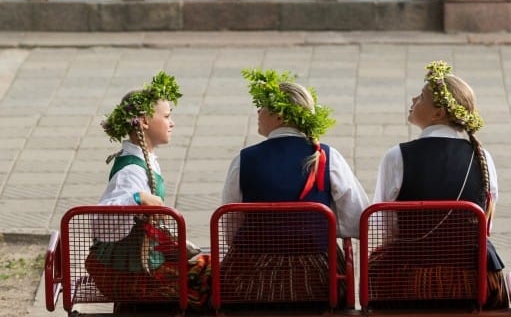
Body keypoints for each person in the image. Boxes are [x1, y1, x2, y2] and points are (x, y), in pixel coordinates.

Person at [219, 67, 369, 304]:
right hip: (315, 276)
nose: (258, 111)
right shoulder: (327, 157)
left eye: (263, 106)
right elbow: (357, 219)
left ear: (280, 116)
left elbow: (229, 228)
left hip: (252, 275)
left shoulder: (244, 159)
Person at [370, 60, 509, 309]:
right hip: (471, 276)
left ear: (438, 113)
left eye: (421, 97)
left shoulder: (397, 156)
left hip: (410, 275)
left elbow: (385, 225)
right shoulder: (482, 157)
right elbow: (485, 222)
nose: (413, 99)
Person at [85, 71, 211, 311]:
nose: (171, 123)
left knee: (202, 263)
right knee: (211, 275)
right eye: (166, 116)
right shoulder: (131, 170)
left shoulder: (144, 158)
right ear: (144, 121)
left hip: (136, 265)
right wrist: (138, 197)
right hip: (128, 274)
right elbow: (102, 215)